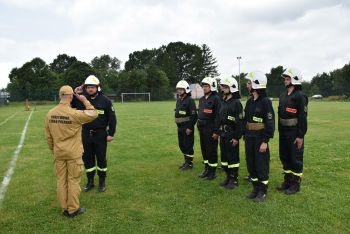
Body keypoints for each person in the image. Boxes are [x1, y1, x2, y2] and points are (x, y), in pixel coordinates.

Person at [45, 85, 97, 217]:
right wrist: (84, 100)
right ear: (71, 96)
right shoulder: (74, 114)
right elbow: (93, 113)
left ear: (59, 96)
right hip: (73, 154)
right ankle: (73, 209)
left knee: (61, 181)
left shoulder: (50, 113)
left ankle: (64, 208)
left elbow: (48, 136)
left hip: (59, 153)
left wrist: (54, 150)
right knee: (73, 181)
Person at [72, 75, 117, 192]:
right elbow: (70, 105)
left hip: (100, 134)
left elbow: (112, 118)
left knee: (101, 158)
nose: (90, 89)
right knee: (87, 158)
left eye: (93, 87)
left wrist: (111, 133)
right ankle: (90, 181)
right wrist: (74, 93)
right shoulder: (82, 99)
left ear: (98, 87)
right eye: (88, 87)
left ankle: (102, 182)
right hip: (85, 134)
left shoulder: (105, 100)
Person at [243, 71, 275, 202]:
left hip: (260, 139)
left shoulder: (265, 102)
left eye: (249, 82)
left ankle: (263, 191)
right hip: (249, 138)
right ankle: (256, 188)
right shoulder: (250, 102)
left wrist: (265, 141)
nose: (247, 85)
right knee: (251, 164)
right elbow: (245, 120)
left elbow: (270, 122)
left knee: (261, 165)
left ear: (256, 84)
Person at [277, 68, 308, 195]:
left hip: (294, 132)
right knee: (285, 156)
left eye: (288, 78)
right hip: (283, 132)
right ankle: (287, 181)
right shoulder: (283, 95)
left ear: (295, 80)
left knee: (295, 158)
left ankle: (295, 184)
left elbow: (302, 117)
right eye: (285, 79)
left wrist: (300, 135)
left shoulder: (300, 96)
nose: (285, 81)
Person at [218, 76, 243, 189]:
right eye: (222, 86)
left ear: (231, 88)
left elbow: (239, 122)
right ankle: (228, 177)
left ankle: (234, 179)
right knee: (225, 156)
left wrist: (236, 137)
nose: (222, 89)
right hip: (223, 133)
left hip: (232, 134)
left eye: (224, 87)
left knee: (232, 157)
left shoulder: (236, 103)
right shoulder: (223, 101)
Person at [197, 77, 221, 180]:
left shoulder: (216, 98)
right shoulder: (202, 99)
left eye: (207, 86)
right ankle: (207, 169)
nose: (204, 88)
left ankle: (212, 172)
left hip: (211, 129)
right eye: (204, 86)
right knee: (204, 149)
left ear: (212, 87)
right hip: (202, 128)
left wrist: (216, 131)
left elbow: (218, 116)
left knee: (211, 150)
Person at [174, 80, 198, 170]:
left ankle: (189, 163)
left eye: (181, 89)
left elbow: (194, 115)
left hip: (187, 127)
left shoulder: (190, 101)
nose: (179, 91)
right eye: (178, 89)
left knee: (188, 145)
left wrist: (190, 127)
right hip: (180, 127)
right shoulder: (179, 100)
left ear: (186, 90)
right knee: (182, 145)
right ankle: (186, 162)